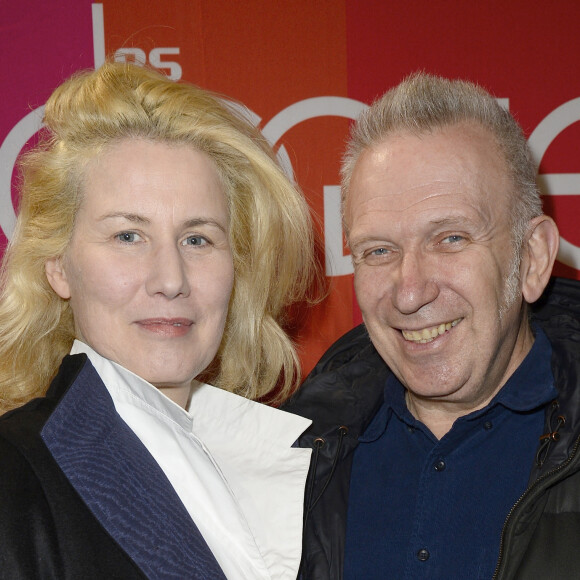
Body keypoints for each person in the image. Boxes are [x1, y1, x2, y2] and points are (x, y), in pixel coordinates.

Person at [0, 61, 321, 579]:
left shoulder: (297, 465)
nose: (171, 279)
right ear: (58, 264)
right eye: (129, 236)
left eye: (198, 239)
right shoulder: (14, 476)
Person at [283, 73, 580, 579]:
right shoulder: (300, 454)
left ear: (531, 259)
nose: (409, 291)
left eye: (450, 239)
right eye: (379, 250)